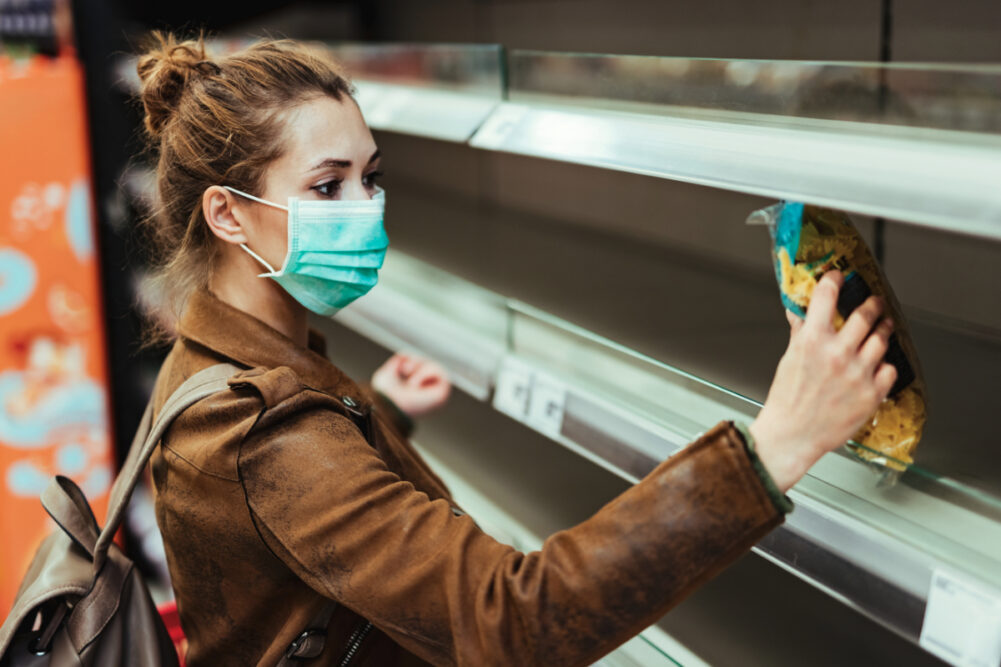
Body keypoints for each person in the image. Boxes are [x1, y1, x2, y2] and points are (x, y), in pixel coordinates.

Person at [136, 32, 898, 667]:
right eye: (328, 187)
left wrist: (380, 418)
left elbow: (298, 514)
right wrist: (774, 445)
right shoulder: (261, 431)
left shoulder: (216, 364)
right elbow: (509, 618)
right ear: (229, 215)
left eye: (372, 178)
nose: (366, 211)